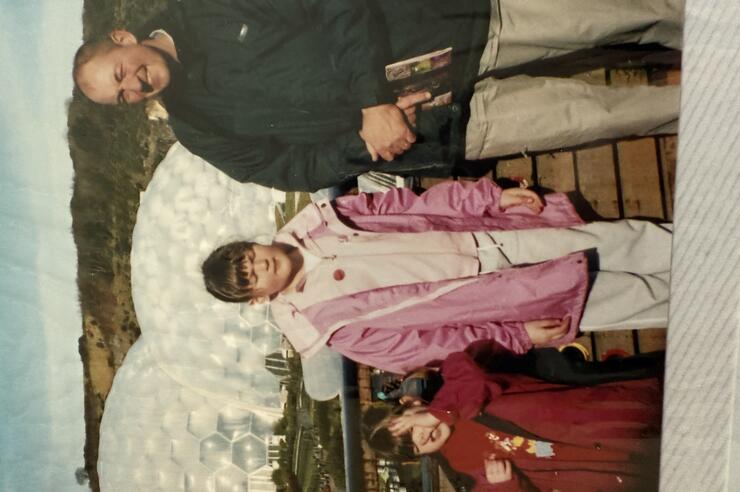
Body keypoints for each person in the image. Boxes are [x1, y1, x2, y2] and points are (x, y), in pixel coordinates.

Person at [73, 0, 682, 192]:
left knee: (629, 14)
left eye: (121, 71)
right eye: (122, 96)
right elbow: (291, 169)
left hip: (455, 26)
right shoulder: (200, 128)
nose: (133, 85)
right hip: (442, 123)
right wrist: (363, 139)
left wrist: (370, 97)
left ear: (122, 38)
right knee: (609, 115)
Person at [200, 178, 671, 374]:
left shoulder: (327, 220)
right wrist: (517, 336)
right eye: (247, 279)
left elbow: (418, 205)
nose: (257, 266)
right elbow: (441, 344)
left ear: (254, 243)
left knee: (632, 238)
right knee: (632, 298)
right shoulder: (338, 332)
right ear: (258, 299)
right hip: (511, 300)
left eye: (247, 256)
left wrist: (491, 199)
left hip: (493, 236)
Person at [363, 350, 662, 491]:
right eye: (414, 449)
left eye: (411, 427)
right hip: (617, 470)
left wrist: (437, 412)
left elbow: (470, 373)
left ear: (410, 403)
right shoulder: (459, 465)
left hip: (624, 413)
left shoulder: (454, 389)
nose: (422, 438)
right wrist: (504, 485)